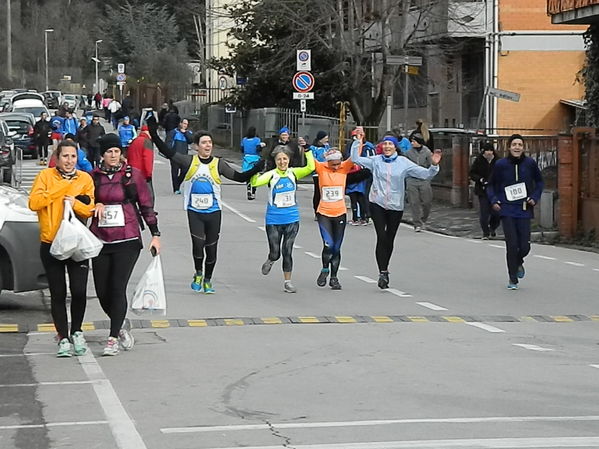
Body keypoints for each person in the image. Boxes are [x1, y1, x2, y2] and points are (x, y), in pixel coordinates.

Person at [147, 116, 264, 294]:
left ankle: (208, 279)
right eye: (204, 143)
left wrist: (256, 168)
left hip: (214, 211)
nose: (208, 145)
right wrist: (154, 134)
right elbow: (167, 152)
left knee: (212, 248)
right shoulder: (189, 161)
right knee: (197, 245)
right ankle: (198, 273)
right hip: (195, 211)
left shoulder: (219, 164)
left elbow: (239, 178)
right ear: (196, 146)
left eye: (210, 142)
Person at [90, 133, 161, 356]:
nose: (113, 156)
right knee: (102, 291)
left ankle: (112, 338)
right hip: (100, 239)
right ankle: (120, 325)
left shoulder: (132, 175)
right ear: (102, 155)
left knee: (117, 287)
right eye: (109, 152)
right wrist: (93, 203)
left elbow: (146, 205)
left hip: (128, 238)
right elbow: (85, 202)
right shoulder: (93, 177)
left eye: (117, 151)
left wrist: (155, 233)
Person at [28, 140, 96, 357]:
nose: (69, 161)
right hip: (51, 243)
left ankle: (76, 331)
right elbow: (34, 203)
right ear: (57, 158)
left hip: (76, 244)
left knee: (79, 291)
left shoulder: (84, 179)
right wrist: (58, 191)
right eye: (65, 156)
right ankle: (63, 337)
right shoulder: (45, 177)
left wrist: (75, 202)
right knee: (58, 293)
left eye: (73, 157)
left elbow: (89, 208)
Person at [351, 129, 441, 289]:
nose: (387, 146)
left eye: (390, 144)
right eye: (384, 144)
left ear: (395, 146)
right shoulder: (375, 161)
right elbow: (356, 159)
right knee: (381, 236)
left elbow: (426, 174)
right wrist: (358, 141)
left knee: (389, 238)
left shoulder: (403, 163)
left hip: (395, 205)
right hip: (377, 202)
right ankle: (382, 272)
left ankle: (385, 268)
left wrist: (434, 165)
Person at [250, 145, 315, 293]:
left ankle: (288, 282)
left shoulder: (294, 173)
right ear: (275, 160)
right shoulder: (272, 175)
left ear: (289, 160)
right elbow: (255, 182)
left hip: (292, 218)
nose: (282, 162)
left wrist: (308, 151)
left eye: (284, 159)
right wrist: (255, 170)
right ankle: (271, 259)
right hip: (273, 220)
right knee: (275, 252)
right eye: (279, 159)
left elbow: (311, 167)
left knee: (287, 250)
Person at [486, 134, 544, 290]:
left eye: (520, 144)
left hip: (524, 209)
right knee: (512, 245)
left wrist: (534, 197)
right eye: (514, 144)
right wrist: (494, 200)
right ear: (509, 147)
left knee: (524, 246)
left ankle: (518, 262)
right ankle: (512, 278)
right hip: (507, 209)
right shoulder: (501, 164)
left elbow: (539, 182)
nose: (517, 147)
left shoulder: (530, 163)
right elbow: (491, 185)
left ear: (523, 147)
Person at [313, 148, 354, 290]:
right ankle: (325, 269)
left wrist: (358, 140)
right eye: (333, 164)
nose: (336, 167)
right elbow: (309, 160)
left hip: (340, 213)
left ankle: (334, 278)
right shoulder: (321, 168)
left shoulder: (344, 169)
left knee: (336, 248)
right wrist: (305, 147)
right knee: (328, 245)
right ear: (328, 162)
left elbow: (354, 156)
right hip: (324, 213)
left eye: (338, 164)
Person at [470, 142, 500, 239]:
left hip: (495, 191)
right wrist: (480, 179)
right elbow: (472, 173)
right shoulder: (479, 160)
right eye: (487, 150)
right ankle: (485, 233)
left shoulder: (497, 161)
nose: (489, 153)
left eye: (491, 150)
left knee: (496, 213)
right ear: (483, 151)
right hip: (482, 191)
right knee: (484, 213)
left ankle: (492, 228)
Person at [405, 133, 434, 232]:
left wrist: (429, 174)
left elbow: (431, 164)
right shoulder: (408, 153)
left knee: (427, 202)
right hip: (411, 180)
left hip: (424, 179)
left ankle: (423, 219)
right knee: (414, 202)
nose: (412, 143)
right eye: (411, 141)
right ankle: (417, 223)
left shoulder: (427, 152)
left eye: (414, 141)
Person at [127, 124, 155, 202]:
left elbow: (128, 156)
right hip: (143, 173)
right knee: (148, 196)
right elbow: (147, 159)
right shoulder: (147, 141)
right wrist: (148, 174)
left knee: (134, 195)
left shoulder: (134, 141)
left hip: (133, 172)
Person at [165, 118, 193, 194]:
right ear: (180, 123)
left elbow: (191, 140)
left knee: (184, 171)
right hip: (175, 155)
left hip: (184, 156)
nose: (185, 126)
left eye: (186, 124)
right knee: (174, 172)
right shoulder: (173, 132)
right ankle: (176, 188)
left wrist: (185, 133)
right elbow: (168, 143)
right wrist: (169, 153)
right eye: (184, 123)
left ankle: (178, 183)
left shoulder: (188, 132)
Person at [309, 130, 330, 218]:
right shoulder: (313, 148)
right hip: (317, 173)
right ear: (320, 139)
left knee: (325, 192)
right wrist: (322, 157)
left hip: (327, 172)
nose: (327, 139)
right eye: (325, 138)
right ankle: (316, 211)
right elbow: (313, 159)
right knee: (318, 192)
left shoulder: (327, 146)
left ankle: (324, 210)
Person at [241, 126, 264, 200]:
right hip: (255, 158)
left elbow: (242, 149)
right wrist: (262, 146)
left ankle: (248, 189)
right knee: (255, 176)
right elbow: (258, 149)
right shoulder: (257, 140)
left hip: (247, 158)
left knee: (247, 175)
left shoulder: (244, 140)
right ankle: (253, 192)